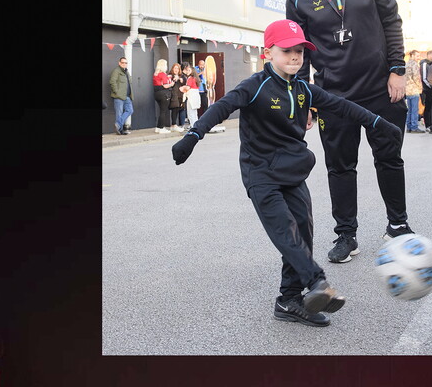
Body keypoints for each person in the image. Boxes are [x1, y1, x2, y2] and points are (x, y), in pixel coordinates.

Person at [171, 19, 402, 326]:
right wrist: (193, 136)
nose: (295, 57)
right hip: (261, 174)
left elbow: (344, 106)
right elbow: (221, 108)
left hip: (293, 172)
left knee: (303, 231)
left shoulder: (304, 89)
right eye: (287, 51)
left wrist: (377, 123)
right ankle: (317, 281)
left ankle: (288, 300)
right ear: (269, 53)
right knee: (285, 232)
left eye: (300, 52)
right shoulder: (255, 87)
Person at [286, 0, 415, 262]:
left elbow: (392, 21)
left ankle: (398, 226)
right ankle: (346, 235)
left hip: (380, 89)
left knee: (389, 157)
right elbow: (298, 53)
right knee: (340, 167)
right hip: (334, 98)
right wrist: (304, 101)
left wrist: (398, 70)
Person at [108, 56, 133, 135]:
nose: (124, 64)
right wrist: (117, 92)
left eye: (126, 63)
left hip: (127, 96)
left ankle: (118, 125)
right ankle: (120, 130)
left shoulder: (126, 72)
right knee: (119, 113)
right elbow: (112, 82)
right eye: (123, 62)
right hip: (119, 96)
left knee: (130, 110)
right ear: (119, 63)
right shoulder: (116, 71)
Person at [404, 50, 425, 133]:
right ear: (412, 55)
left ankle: (408, 127)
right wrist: (420, 88)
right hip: (414, 89)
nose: (418, 57)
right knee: (415, 110)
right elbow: (416, 77)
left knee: (409, 110)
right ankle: (414, 127)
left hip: (407, 90)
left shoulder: (406, 64)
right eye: (417, 56)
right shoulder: (415, 65)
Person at [152, 59, 174, 133]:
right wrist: (171, 84)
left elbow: (159, 83)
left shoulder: (156, 74)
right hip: (164, 94)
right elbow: (165, 85)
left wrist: (168, 77)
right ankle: (161, 128)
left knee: (162, 111)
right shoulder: (163, 74)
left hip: (156, 94)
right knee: (163, 111)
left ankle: (158, 127)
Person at [419, 50, 432, 130]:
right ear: (428, 55)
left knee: (430, 107)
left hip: (430, 89)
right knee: (427, 108)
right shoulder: (425, 64)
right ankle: (428, 125)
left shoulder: (431, 64)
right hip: (426, 90)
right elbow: (424, 78)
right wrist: (431, 86)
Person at [168, 62, 186, 132]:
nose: (176, 70)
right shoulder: (170, 75)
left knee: (178, 109)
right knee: (174, 109)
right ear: (172, 69)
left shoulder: (181, 76)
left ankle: (174, 125)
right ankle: (173, 124)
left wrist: (180, 79)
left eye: (177, 68)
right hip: (173, 94)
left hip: (180, 95)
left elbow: (184, 81)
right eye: (175, 68)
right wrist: (175, 79)